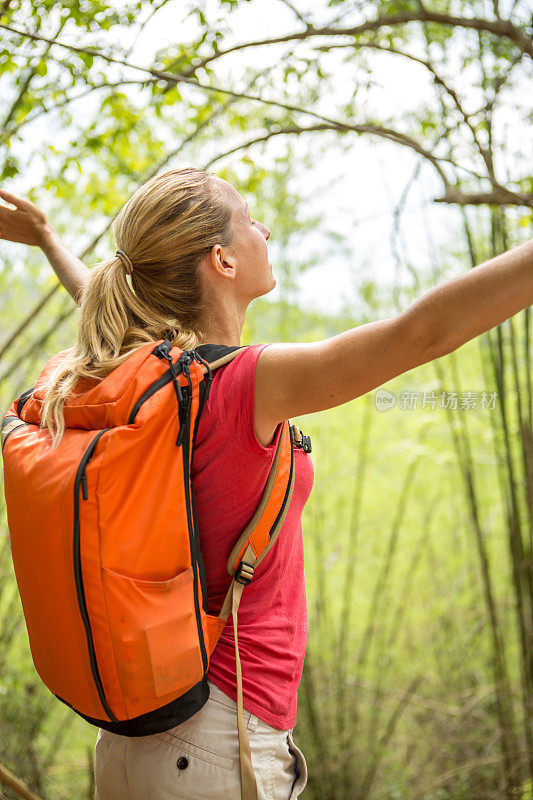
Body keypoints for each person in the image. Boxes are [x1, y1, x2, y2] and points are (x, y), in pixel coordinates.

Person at [0, 167, 532, 800]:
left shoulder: (147, 383)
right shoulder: (244, 386)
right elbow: (420, 333)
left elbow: (107, 298)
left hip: (134, 747)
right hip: (217, 745)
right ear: (221, 260)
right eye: (250, 219)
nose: (267, 228)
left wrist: (50, 240)